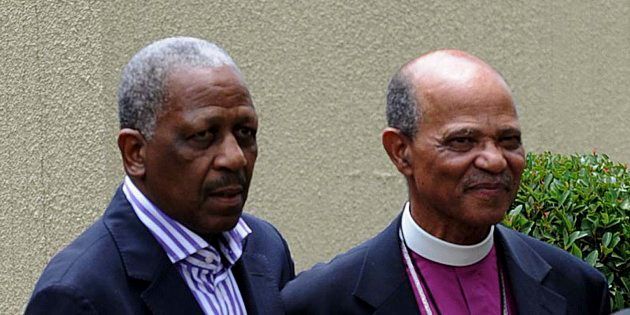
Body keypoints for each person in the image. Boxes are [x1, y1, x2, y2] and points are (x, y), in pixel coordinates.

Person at [282, 50, 610, 314]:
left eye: (508, 140)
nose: (495, 160)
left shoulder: (576, 288)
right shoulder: (321, 303)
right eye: (463, 141)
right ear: (401, 152)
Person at [26, 37, 294, 315]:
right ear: (135, 153)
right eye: (203, 135)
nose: (235, 157)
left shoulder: (266, 248)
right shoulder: (78, 295)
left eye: (245, 132)